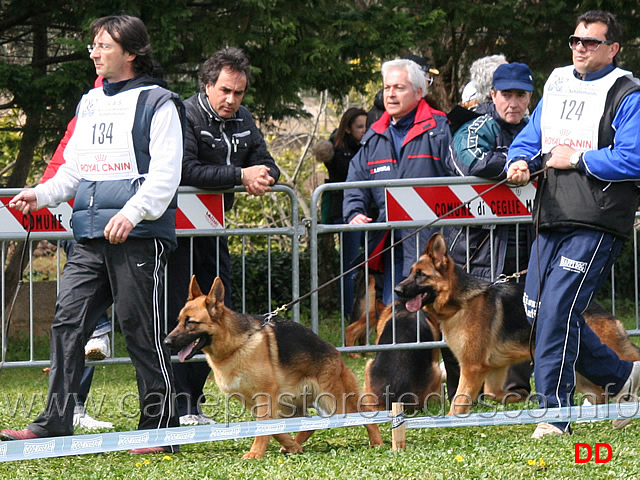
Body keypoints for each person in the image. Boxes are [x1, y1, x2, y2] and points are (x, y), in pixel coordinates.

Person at [1, 14, 184, 454]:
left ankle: (159, 429)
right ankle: (54, 424)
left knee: (143, 329)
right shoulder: (90, 102)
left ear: (131, 52)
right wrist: (42, 195)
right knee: (67, 324)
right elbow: (75, 172)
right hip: (89, 234)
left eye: (104, 46)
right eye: (93, 46)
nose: (95, 53)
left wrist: (133, 213)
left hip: (138, 235)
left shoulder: (159, 102)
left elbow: (165, 175)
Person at [506, 10, 640, 438]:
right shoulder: (558, 82)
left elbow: (634, 157)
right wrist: (519, 160)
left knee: (558, 310)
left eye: (591, 42)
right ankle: (623, 378)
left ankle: (554, 416)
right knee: (535, 309)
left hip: (598, 218)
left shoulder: (628, 93)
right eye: (575, 40)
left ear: (613, 48)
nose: (580, 48)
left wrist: (580, 158)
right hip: (552, 214)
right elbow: (533, 134)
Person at [166, 47, 279, 426]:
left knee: (217, 316)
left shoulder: (244, 118)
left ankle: (193, 406)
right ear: (207, 85)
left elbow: (267, 161)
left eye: (239, 93)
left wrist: (265, 176)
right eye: (225, 91)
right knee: (183, 318)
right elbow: (185, 170)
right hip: (177, 233)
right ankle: (177, 406)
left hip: (214, 230)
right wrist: (239, 175)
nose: (232, 100)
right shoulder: (183, 113)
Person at [444, 62, 535, 402]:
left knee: (525, 309)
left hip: (527, 237)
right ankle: (463, 392)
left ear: (529, 98)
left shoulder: (535, 126)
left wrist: (528, 163)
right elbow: (474, 162)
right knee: (469, 315)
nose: (513, 103)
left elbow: (550, 157)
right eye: (506, 95)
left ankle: (512, 391)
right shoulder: (475, 126)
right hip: (477, 242)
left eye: (520, 96)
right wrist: (515, 163)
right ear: (493, 96)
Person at [343, 58, 451, 305]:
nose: (390, 95)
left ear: (419, 92)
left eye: (399, 88)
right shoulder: (375, 135)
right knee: (397, 310)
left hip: (433, 245)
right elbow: (355, 180)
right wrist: (354, 212)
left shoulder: (440, 129)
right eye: (387, 88)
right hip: (392, 242)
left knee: (433, 317)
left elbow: (458, 177)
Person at [39, 76, 114, 431]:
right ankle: (99, 329)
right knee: (78, 318)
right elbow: (72, 168)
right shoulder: (96, 104)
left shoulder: (124, 102)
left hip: (95, 209)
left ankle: (76, 407)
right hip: (74, 206)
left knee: (77, 321)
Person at [314, 107, 367, 316]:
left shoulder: (367, 146)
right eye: (359, 126)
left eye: (366, 126)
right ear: (347, 129)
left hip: (365, 210)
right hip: (345, 212)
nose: (364, 130)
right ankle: (349, 314)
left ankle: (368, 311)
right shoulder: (336, 152)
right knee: (350, 267)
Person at [366, 54, 440, 128]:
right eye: (387, 87)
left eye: (429, 81)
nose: (391, 94)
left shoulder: (439, 123)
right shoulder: (376, 128)